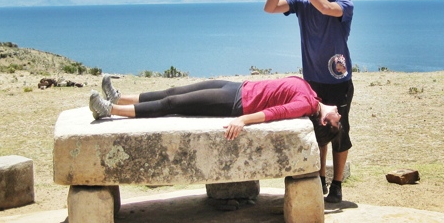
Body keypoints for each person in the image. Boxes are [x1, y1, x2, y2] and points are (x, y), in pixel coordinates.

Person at [264, 0, 353, 203]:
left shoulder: (344, 4)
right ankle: (320, 179)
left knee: (339, 132)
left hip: (339, 82)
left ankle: (337, 184)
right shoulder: (300, 2)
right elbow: (270, 7)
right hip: (312, 82)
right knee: (317, 132)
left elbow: (326, 8)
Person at [89, 75, 341, 146]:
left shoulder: (306, 105)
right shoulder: (314, 97)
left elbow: (275, 112)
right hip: (238, 87)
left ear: (324, 122)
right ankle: (120, 98)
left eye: (336, 121)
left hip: (235, 102)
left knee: (173, 104)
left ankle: (109, 110)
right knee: (175, 90)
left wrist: (242, 120)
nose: (339, 116)